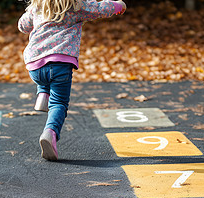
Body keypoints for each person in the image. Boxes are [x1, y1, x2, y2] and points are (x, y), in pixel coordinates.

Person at [18, 0, 126, 161]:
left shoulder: (37, 8)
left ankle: (42, 93)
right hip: (60, 64)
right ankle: (50, 133)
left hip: (34, 65)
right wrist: (119, 5)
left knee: (44, 77)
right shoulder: (76, 7)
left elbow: (22, 26)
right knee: (59, 103)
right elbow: (100, 9)